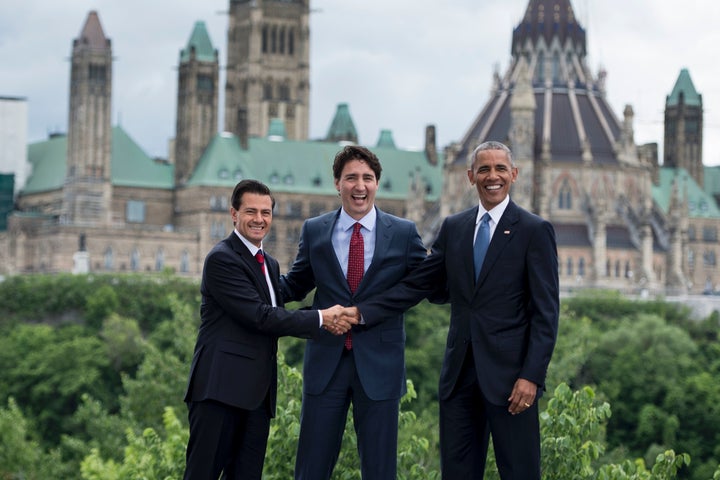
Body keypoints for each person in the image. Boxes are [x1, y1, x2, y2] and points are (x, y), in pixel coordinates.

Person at [356, 141, 559, 479]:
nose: (491, 177)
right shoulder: (455, 227)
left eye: (499, 169)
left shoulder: (534, 230)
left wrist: (531, 376)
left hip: (512, 382)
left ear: (514, 175)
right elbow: (419, 284)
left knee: (520, 472)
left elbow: (546, 313)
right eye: (484, 170)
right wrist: (361, 312)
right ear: (470, 176)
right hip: (459, 378)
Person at [183, 179, 358, 480]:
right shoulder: (222, 259)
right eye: (251, 211)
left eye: (266, 212)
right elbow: (262, 317)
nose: (259, 219)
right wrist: (321, 318)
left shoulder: (269, 264)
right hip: (219, 392)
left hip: (257, 397)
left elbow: (277, 302)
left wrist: (328, 277)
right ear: (234, 214)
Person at [280, 145, 427, 479]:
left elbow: (420, 285)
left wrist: (365, 312)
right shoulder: (315, 230)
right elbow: (296, 284)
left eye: (367, 178)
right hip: (325, 365)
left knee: (379, 471)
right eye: (351, 178)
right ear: (337, 183)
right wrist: (252, 279)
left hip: (380, 368)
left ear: (377, 183)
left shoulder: (403, 233)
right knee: (310, 469)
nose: (359, 186)